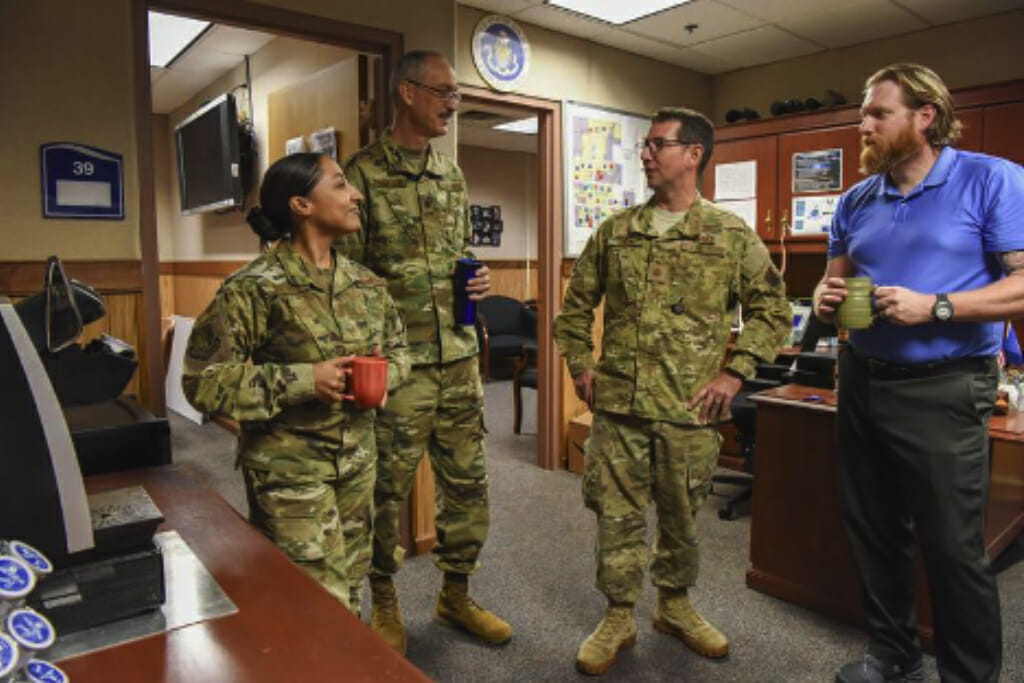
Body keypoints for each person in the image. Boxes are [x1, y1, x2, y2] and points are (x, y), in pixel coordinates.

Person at [554, 107, 790, 675]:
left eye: (658, 143)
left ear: (694, 154)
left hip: (688, 411)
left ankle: (676, 606)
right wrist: (581, 364)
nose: (646, 153)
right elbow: (576, 307)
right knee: (617, 515)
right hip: (618, 409)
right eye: (645, 143)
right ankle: (618, 614)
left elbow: (772, 312)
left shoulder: (728, 235)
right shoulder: (616, 232)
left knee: (682, 517)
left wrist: (735, 375)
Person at [814, 63, 1024, 683]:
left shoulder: (992, 180)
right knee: (873, 528)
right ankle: (895, 651)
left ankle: (969, 674)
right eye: (863, 114)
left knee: (952, 546)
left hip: (946, 384)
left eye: (879, 114)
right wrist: (830, 299)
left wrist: (935, 305)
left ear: (924, 117)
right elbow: (838, 279)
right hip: (861, 377)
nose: (865, 125)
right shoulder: (856, 199)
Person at [182, 152, 409, 615]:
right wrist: (305, 380)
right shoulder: (255, 287)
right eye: (342, 184)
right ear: (302, 205)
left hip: (358, 462)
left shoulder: (366, 284)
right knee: (311, 599)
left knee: (351, 582)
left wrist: (384, 379)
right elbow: (202, 382)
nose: (357, 195)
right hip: (289, 470)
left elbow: (401, 353)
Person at [339, 50, 510, 653]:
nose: (452, 105)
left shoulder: (452, 175)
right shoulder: (357, 176)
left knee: (468, 485)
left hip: (459, 358)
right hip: (399, 364)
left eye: (456, 95)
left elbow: (461, 254)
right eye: (444, 93)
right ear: (406, 93)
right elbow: (345, 276)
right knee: (385, 487)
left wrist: (481, 281)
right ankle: (383, 599)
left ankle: (455, 594)